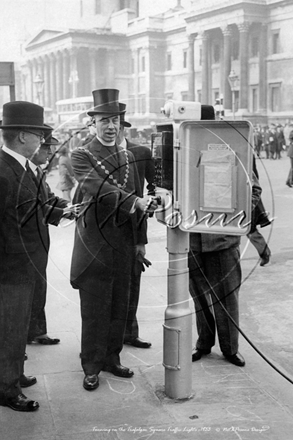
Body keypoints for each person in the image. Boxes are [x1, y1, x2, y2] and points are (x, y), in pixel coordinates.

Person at [70, 89, 158, 392]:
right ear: (92, 122)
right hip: (94, 244)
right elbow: (99, 187)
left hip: (122, 244)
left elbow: (139, 198)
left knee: (120, 305)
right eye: (104, 120)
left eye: (116, 120)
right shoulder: (81, 155)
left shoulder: (129, 155)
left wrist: (139, 242)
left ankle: (111, 358)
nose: (111, 126)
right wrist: (134, 202)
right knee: (94, 308)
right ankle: (91, 366)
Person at [188, 106, 262, 367]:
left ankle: (230, 348)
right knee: (199, 297)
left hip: (223, 238)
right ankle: (203, 343)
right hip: (193, 239)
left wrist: (237, 214)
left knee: (227, 297)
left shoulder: (237, 148)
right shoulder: (184, 150)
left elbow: (254, 190)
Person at [0, 101, 53, 412]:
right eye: (38, 135)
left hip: (27, 265)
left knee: (19, 327)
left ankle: (15, 374)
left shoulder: (21, 167)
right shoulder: (5, 172)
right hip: (10, 269)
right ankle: (6, 389)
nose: (41, 141)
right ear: (21, 136)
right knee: (9, 329)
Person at [27, 131, 80, 345]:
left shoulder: (37, 171)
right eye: (47, 147)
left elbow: (48, 198)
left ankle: (37, 331)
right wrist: (63, 212)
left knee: (38, 288)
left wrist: (68, 206)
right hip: (22, 246)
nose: (51, 152)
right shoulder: (21, 172)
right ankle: (18, 342)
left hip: (37, 244)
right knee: (22, 294)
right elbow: (31, 208)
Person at [116, 102, 155, 349]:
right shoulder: (90, 154)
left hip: (133, 229)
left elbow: (155, 186)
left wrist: (142, 237)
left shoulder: (140, 153)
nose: (113, 129)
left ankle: (130, 332)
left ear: (123, 128)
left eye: (117, 124)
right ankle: (103, 339)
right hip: (104, 233)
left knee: (133, 281)